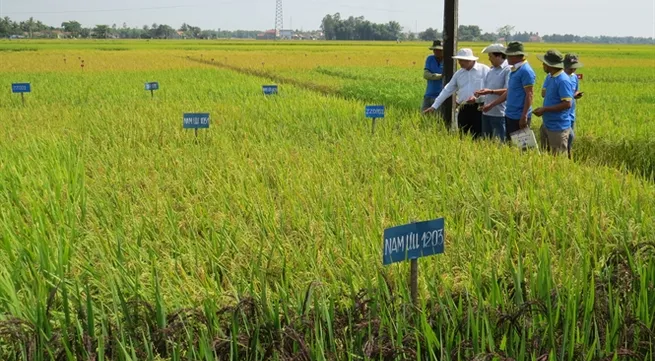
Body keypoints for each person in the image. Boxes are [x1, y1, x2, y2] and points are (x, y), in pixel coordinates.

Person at [423, 48, 490, 138]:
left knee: (478, 135)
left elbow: (491, 89)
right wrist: (434, 106)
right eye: (459, 60)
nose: (460, 63)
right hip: (463, 107)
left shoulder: (484, 70)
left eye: (462, 60)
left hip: (480, 107)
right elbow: (447, 90)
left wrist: (478, 99)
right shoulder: (459, 74)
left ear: (470, 60)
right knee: (462, 135)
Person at [482, 41, 536, 142]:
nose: (506, 57)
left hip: (519, 116)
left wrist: (524, 116)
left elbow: (530, 94)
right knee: (511, 146)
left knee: (523, 148)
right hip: (510, 115)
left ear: (515, 56)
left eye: (508, 55)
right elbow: (509, 92)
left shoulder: (525, 71)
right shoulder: (514, 70)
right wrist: (492, 105)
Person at [532, 49, 574, 155]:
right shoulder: (550, 77)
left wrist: (545, 109)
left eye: (544, 63)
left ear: (550, 65)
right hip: (547, 124)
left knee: (558, 160)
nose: (542, 65)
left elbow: (567, 104)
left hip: (558, 128)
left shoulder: (563, 80)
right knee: (546, 157)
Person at [474, 43, 511, 141]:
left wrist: (490, 91)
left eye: (490, 56)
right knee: (486, 141)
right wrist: (481, 94)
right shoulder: (491, 70)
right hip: (486, 111)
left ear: (498, 56)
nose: (489, 59)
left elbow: (508, 91)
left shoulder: (508, 70)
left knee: (499, 142)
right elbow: (488, 89)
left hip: (500, 113)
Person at [563, 53, 584, 158]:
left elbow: (575, 91)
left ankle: (568, 156)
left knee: (569, 139)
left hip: (571, 113)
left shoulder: (574, 77)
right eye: (570, 68)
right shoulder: (559, 77)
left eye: (574, 68)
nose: (573, 70)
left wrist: (576, 95)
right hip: (562, 113)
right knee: (568, 137)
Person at [422, 40, 444, 118]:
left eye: (439, 50)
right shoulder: (430, 59)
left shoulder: (448, 61)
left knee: (438, 119)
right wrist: (440, 76)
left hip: (440, 96)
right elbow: (426, 75)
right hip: (429, 94)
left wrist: (433, 75)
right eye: (435, 50)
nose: (436, 52)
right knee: (424, 117)